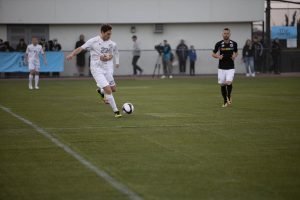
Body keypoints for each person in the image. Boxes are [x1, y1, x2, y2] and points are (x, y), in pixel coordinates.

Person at [67, 24, 122, 118]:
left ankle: (101, 91)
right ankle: (116, 112)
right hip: (96, 69)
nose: (109, 36)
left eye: (110, 34)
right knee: (109, 90)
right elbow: (81, 48)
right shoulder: (93, 41)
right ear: (102, 32)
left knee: (114, 89)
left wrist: (108, 57)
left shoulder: (111, 43)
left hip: (106, 69)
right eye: (108, 34)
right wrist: (72, 54)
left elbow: (111, 55)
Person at [212, 28, 238, 107]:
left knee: (228, 82)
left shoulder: (234, 43)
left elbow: (236, 52)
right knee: (222, 84)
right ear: (222, 34)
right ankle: (225, 101)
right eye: (224, 33)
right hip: (221, 68)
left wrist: (234, 55)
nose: (226, 35)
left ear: (230, 34)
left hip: (230, 67)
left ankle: (229, 96)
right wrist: (218, 56)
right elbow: (213, 54)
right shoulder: (219, 44)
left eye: (227, 33)